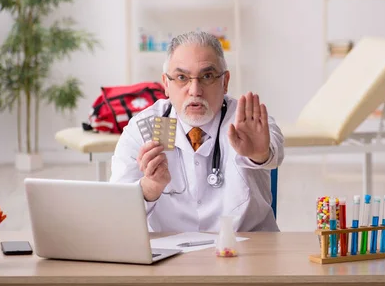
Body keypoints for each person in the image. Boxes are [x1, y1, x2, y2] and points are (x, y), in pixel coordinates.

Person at [110, 31, 284, 232]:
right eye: (182, 77)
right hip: (171, 253)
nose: (194, 90)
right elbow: (118, 210)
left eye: (207, 76)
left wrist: (259, 155)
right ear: (166, 84)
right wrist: (149, 188)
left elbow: (273, 149)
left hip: (247, 249)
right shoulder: (143, 129)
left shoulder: (245, 120)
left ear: (225, 81)